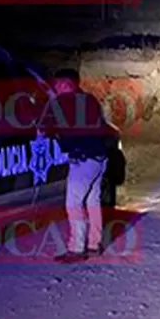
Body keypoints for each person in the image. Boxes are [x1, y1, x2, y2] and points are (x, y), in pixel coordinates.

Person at [40, 68, 111, 263]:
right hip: (99, 158)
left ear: (65, 84)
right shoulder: (90, 99)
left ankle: (76, 248)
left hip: (82, 160)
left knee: (73, 204)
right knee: (93, 202)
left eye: (57, 85)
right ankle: (94, 244)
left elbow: (44, 127)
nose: (55, 88)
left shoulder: (61, 103)